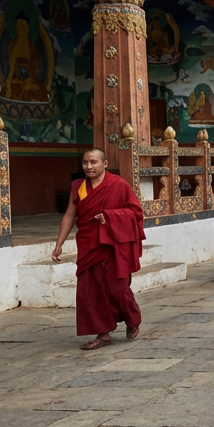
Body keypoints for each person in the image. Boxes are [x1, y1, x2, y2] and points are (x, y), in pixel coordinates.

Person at [51, 148, 145, 350]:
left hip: (112, 244)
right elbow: (69, 215)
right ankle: (103, 333)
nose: (89, 166)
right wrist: (59, 243)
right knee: (90, 291)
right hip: (88, 244)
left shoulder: (118, 185)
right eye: (85, 163)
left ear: (105, 163)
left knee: (117, 288)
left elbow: (135, 211)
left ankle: (132, 318)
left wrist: (111, 216)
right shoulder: (78, 186)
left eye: (93, 162)